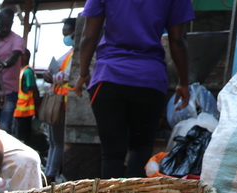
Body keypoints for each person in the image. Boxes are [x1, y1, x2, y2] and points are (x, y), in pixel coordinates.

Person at [74, 0, 193, 179]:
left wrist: (83, 73)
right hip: (149, 79)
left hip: (109, 76)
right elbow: (178, 40)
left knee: (112, 153)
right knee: (142, 148)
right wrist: (183, 82)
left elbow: (89, 36)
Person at [43, 18, 76, 182]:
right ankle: (49, 172)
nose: (65, 36)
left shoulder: (75, 54)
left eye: (67, 33)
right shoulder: (70, 53)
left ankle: (50, 174)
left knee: (57, 142)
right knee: (54, 141)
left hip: (63, 103)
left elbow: (68, 75)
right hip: (58, 101)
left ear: (74, 33)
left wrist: (53, 76)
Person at [0, 7, 24, 134]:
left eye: (7, 25)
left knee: (3, 127)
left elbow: (14, 57)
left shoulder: (17, 40)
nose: (4, 28)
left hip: (9, 92)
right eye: (2, 24)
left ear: (12, 23)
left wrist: (3, 64)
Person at [13, 49, 38, 143]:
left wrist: (38, 107)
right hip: (19, 110)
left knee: (23, 137)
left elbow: (34, 90)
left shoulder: (27, 72)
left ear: (26, 57)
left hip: (25, 111)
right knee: (19, 136)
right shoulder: (21, 71)